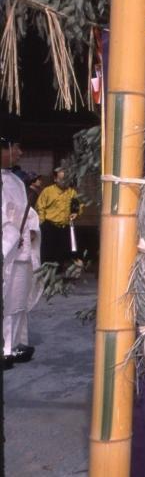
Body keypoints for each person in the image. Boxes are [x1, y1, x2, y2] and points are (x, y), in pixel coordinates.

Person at [2, 134, 41, 369]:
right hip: (8, 251)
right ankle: (4, 348)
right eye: (15, 148)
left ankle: (15, 343)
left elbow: (28, 214)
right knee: (6, 303)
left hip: (21, 250)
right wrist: (10, 238)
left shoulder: (14, 181)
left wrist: (32, 229)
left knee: (18, 302)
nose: (19, 153)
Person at [35, 167, 82, 266]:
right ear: (55, 179)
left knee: (62, 254)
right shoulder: (47, 191)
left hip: (64, 227)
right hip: (49, 227)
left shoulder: (71, 192)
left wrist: (76, 213)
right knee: (48, 254)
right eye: (62, 179)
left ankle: (58, 275)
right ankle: (46, 276)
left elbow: (79, 205)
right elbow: (40, 207)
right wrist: (42, 223)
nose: (64, 182)